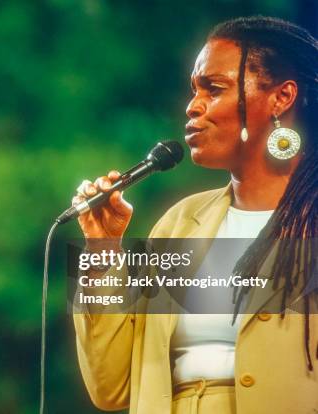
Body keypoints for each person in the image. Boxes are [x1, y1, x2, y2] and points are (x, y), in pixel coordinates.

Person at [72, 16, 317, 414]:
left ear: (281, 97)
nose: (193, 106)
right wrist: (102, 250)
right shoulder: (180, 222)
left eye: (214, 89)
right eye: (194, 90)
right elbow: (109, 387)